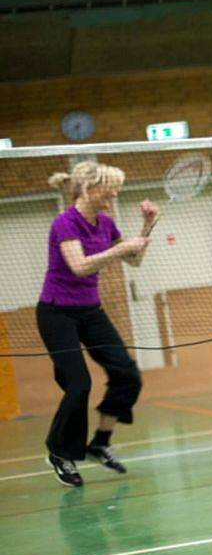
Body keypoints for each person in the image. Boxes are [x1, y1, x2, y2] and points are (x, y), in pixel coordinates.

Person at [39, 161, 156, 487]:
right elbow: (79, 267)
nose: (115, 193)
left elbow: (133, 260)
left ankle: (100, 443)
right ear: (90, 189)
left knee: (127, 374)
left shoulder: (106, 223)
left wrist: (146, 228)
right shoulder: (65, 223)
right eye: (110, 187)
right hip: (56, 313)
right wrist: (120, 248)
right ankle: (60, 452)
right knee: (79, 384)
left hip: (91, 311)